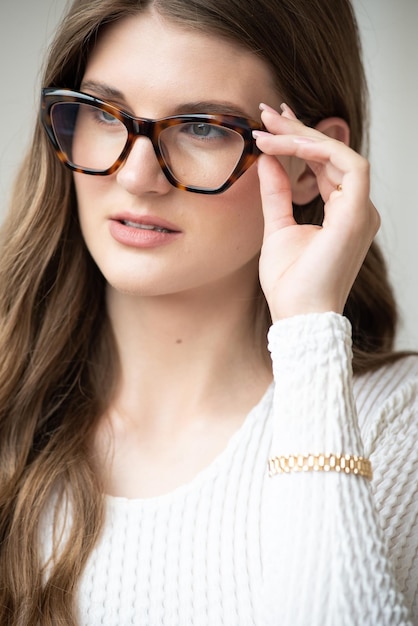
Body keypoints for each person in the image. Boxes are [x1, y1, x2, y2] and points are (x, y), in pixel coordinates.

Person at [0, 0, 417, 624]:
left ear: (307, 162)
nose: (138, 176)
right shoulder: (11, 408)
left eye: (202, 127)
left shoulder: (394, 423)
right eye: (106, 114)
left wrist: (308, 329)